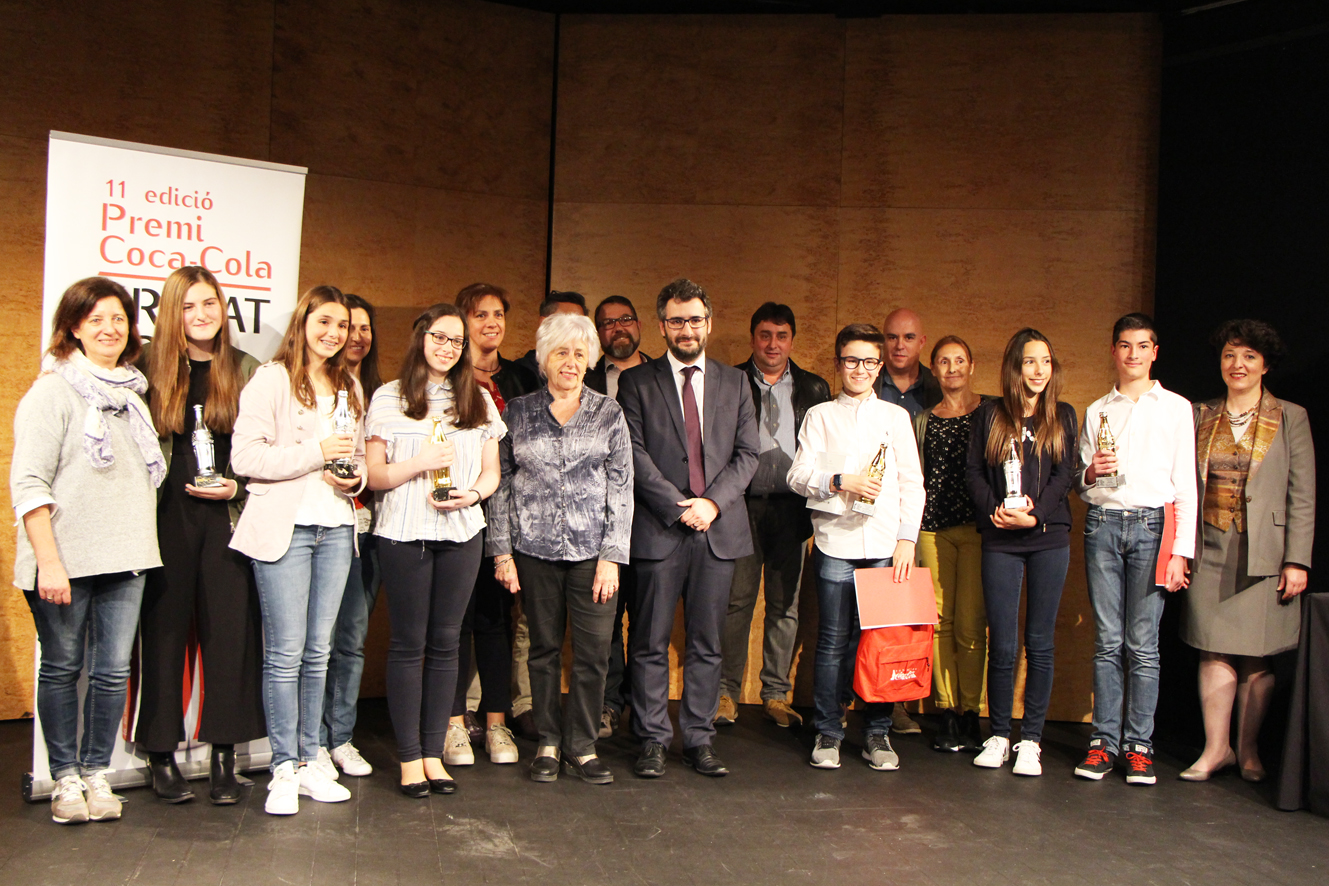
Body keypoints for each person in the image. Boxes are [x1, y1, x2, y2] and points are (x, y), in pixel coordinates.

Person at [12, 277, 164, 824]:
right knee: (61, 668)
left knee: (111, 671)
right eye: (96, 319)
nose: (109, 329)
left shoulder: (133, 395)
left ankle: (98, 773)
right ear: (74, 327)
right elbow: (28, 483)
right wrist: (49, 562)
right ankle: (65, 780)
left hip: (127, 558)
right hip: (64, 561)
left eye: (119, 319)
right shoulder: (53, 391)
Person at [230, 284, 366, 815]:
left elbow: (351, 459)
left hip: (335, 527)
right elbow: (246, 458)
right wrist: (315, 452)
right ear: (303, 321)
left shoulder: (348, 385)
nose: (334, 334)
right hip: (284, 531)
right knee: (285, 655)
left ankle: (311, 760)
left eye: (343, 326)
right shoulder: (270, 378)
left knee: (320, 652)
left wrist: (352, 482)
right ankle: (282, 767)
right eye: (324, 322)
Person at [617, 278, 759, 779]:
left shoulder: (735, 382)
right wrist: (680, 507)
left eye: (694, 319)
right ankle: (653, 738)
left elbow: (747, 456)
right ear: (661, 326)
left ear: (709, 323)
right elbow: (632, 454)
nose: (686, 329)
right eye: (676, 321)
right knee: (650, 641)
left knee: (706, 642)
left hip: (717, 532)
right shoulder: (636, 383)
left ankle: (699, 738)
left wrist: (711, 505)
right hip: (661, 530)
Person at [365, 303, 505, 797]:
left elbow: (491, 472)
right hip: (403, 532)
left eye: (456, 341)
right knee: (408, 644)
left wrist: (475, 494)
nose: (447, 347)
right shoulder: (388, 397)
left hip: (462, 532)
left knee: (447, 644)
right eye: (439, 337)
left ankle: (432, 754)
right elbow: (375, 475)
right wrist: (419, 463)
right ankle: (408, 759)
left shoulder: (478, 400)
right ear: (420, 337)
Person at [137, 266, 264, 805]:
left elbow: (265, 448)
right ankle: (160, 755)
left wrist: (235, 487)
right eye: (189, 306)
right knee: (164, 630)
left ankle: (223, 756)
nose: (202, 315)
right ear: (172, 312)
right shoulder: (145, 368)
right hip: (166, 517)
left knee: (230, 634)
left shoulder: (246, 368)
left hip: (227, 517)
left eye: (210, 304)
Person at [489, 313, 634, 784]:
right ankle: (549, 740)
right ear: (543, 359)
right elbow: (501, 485)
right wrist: (502, 552)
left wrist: (612, 556)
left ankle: (583, 745)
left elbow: (622, 488)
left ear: (590, 359)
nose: (570, 362)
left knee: (593, 654)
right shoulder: (517, 412)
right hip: (533, 552)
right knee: (543, 650)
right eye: (560, 353)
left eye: (578, 353)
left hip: (594, 556)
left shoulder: (608, 413)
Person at [1179, 319, 1315, 783]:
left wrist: (1297, 559)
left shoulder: (1291, 416)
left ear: (1265, 365)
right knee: (1213, 649)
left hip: (1267, 551)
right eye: (1230, 356)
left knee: (1258, 655)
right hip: (1211, 546)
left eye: (1249, 357)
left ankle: (1249, 749)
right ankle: (1216, 749)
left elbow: (1303, 493)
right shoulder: (1199, 414)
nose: (1237, 365)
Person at [787, 323, 925, 772]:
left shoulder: (895, 417)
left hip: (886, 544)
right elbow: (796, 475)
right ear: (838, 363)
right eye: (851, 360)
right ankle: (829, 731)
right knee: (830, 642)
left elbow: (912, 483)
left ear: (880, 366)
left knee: (881, 641)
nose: (860, 369)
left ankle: (878, 733)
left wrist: (907, 538)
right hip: (835, 542)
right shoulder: (821, 416)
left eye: (869, 362)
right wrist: (838, 481)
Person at [1073, 313, 1197, 785]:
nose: (1133, 354)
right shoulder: (1097, 410)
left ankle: (1138, 745)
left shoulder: (1176, 408)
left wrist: (1180, 551)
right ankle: (1103, 743)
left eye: (1142, 346)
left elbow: (1185, 485)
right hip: (1103, 524)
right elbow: (1084, 485)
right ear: (1114, 351)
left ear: (1154, 352)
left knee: (1142, 645)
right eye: (1125, 346)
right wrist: (1090, 473)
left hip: (1151, 526)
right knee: (1107, 642)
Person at [965, 328, 1078, 777]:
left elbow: (1065, 474)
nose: (1039, 371)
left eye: (1046, 362)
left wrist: (1036, 516)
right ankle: (998, 734)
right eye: (1030, 362)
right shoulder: (989, 415)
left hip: (1048, 536)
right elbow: (972, 471)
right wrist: (994, 510)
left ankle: (1030, 739)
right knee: (1004, 643)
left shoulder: (1063, 415)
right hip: (1000, 539)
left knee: (1041, 642)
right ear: (1015, 367)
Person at [717, 302, 829, 728]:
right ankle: (726, 693)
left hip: (791, 509)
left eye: (781, 336)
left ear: (792, 341)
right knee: (737, 602)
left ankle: (776, 694)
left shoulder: (814, 388)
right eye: (765, 335)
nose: (773, 344)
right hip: (741, 508)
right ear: (753, 339)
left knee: (785, 605)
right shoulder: (729, 382)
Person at [446, 283, 538, 765]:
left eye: (498, 314)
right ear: (463, 323)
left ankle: (498, 721)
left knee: (498, 620)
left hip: (512, 519)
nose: (491, 324)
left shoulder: (524, 378)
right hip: (458, 512)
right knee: (456, 622)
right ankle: (456, 721)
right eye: (480, 315)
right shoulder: (448, 376)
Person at [317, 293, 384, 780]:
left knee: (352, 639)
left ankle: (340, 737)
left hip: (369, 530)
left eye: (363, 328)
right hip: (319, 526)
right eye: (347, 326)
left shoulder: (379, 390)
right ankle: (310, 741)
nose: (354, 336)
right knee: (314, 640)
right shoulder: (311, 386)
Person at [914, 335, 989, 754]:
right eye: (944, 361)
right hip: (932, 529)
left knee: (970, 624)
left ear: (972, 365)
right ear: (935, 369)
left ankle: (970, 712)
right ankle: (944, 710)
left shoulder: (990, 413)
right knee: (939, 623)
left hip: (977, 531)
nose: (952, 368)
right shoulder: (924, 419)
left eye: (960, 360)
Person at [873, 307, 941, 735]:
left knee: (898, 619)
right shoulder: (867, 381)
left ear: (921, 341)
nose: (899, 345)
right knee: (852, 616)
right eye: (892, 337)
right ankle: (847, 698)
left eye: (909, 337)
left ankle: (895, 704)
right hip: (868, 516)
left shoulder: (937, 390)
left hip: (920, 517)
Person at [588, 294, 651, 738]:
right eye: (608, 324)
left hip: (653, 518)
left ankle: (645, 711)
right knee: (606, 619)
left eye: (625, 319)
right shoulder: (585, 379)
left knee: (647, 618)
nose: (619, 329)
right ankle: (609, 704)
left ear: (640, 324)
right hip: (598, 520)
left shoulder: (663, 375)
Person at [515, 290, 589, 381]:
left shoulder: (587, 374)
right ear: (544, 323)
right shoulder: (517, 373)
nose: (574, 328)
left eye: (579, 322)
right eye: (565, 321)